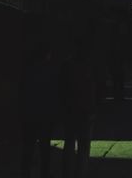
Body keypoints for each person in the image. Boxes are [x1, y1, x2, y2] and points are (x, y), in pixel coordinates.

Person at [60, 37, 97, 178]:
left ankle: (67, 173)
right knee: (83, 145)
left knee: (69, 143)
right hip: (85, 110)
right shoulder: (89, 66)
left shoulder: (67, 65)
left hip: (70, 109)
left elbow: (62, 89)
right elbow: (94, 88)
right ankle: (80, 173)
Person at [19, 42, 56, 177]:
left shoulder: (28, 70)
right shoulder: (51, 71)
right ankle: (44, 174)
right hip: (45, 116)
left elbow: (22, 93)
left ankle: (25, 173)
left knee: (28, 148)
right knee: (44, 149)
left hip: (30, 114)